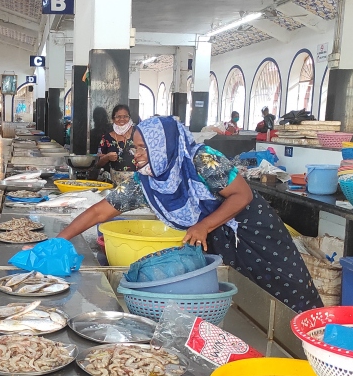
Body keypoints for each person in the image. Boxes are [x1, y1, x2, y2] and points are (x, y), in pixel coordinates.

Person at [57, 116, 322, 313]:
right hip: (218, 237)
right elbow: (100, 211)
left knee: (289, 292)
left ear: (162, 146)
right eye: (135, 148)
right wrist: (59, 240)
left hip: (254, 231)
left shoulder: (201, 159)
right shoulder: (146, 180)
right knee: (244, 301)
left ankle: (313, 351)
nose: (135, 155)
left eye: (141, 148)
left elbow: (243, 195)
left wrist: (204, 225)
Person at [97, 105, 137, 185]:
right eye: (118, 117)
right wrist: (107, 157)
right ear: (113, 119)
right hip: (115, 182)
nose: (122, 119)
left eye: (125, 116)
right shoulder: (107, 138)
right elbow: (98, 164)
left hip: (137, 180)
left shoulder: (138, 134)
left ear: (129, 118)